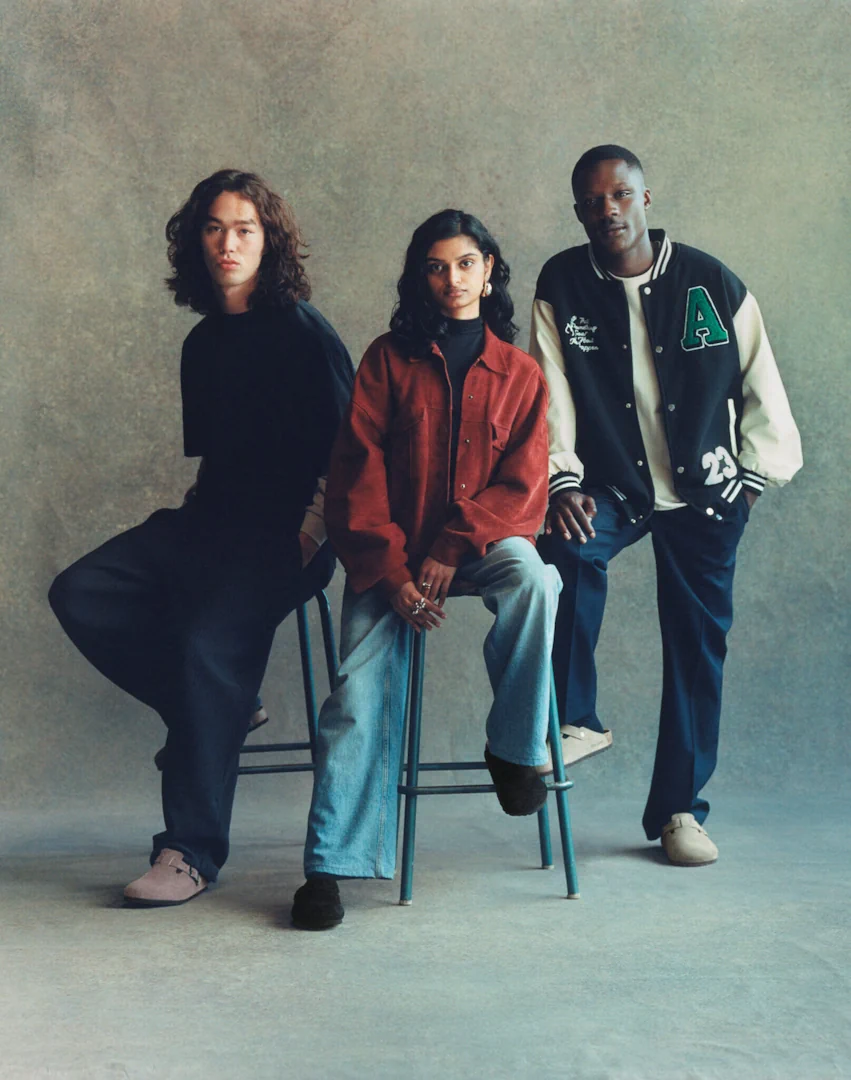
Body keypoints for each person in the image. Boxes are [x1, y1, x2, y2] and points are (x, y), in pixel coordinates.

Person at [48, 169, 354, 905]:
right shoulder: (203, 343)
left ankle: (187, 853)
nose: (228, 243)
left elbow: (349, 456)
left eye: (244, 229)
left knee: (203, 646)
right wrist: (191, 525)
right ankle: (214, 707)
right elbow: (220, 459)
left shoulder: (303, 333)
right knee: (80, 591)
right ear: (197, 241)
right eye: (214, 228)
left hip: (290, 536)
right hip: (212, 522)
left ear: (269, 241)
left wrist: (307, 536)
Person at [531, 145, 802, 865]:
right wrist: (561, 480)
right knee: (564, 548)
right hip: (613, 484)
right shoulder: (562, 283)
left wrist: (750, 479)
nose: (608, 210)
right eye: (592, 201)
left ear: (645, 198)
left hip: (703, 491)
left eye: (620, 194)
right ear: (579, 212)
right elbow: (550, 391)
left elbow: (761, 381)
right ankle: (575, 717)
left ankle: (680, 810)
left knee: (695, 645)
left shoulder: (709, 282)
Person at [290, 209, 561, 930]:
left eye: (466, 264)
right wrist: (393, 573)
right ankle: (329, 867)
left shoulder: (520, 373)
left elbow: (524, 486)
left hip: (479, 546)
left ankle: (514, 752)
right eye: (436, 267)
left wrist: (452, 546)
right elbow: (355, 476)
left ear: (489, 270)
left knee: (536, 580)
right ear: (420, 278)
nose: (453, 280)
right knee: (355, 694)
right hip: (390, 553)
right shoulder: (387, 361)